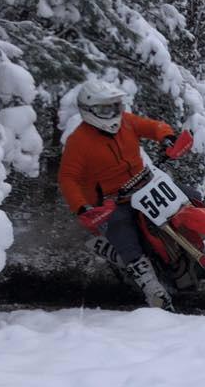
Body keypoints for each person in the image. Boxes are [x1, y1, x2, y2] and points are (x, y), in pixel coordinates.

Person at [58, 79, 183, 310]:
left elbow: (151, 126)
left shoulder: (126, 121)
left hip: (145, 186)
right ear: (89, 110)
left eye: (115, 106)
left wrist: (166, 136)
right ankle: (151, 287)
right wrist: (81, 206)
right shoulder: (79, 141)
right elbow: (68, 177)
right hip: (111, 202)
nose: (113, 113)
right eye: (105, 108)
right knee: (122, 230)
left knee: (188, 196)